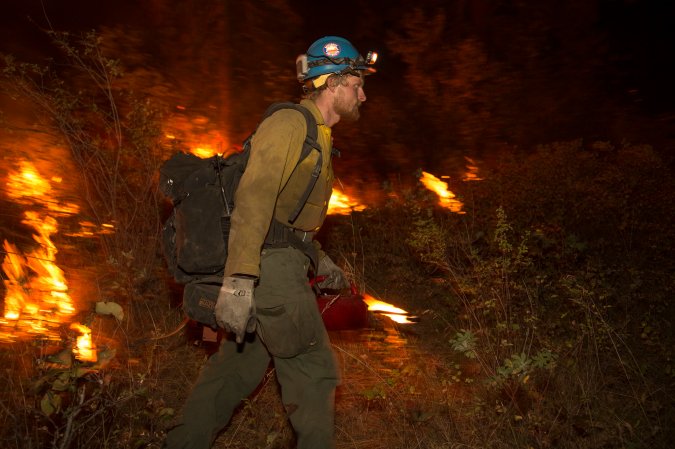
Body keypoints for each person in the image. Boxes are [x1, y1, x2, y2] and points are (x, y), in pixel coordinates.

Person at [163, 36, 377, 449]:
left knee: (234, 371)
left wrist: (318, 258)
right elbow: (255, 198)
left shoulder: (319, 136)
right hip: (267, 271)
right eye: (356, 84)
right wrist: (240, 281)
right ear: (331, 83)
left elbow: (285, 221)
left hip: (276, 264)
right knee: (313, 373)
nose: (363, 95)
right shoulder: (289, 124)